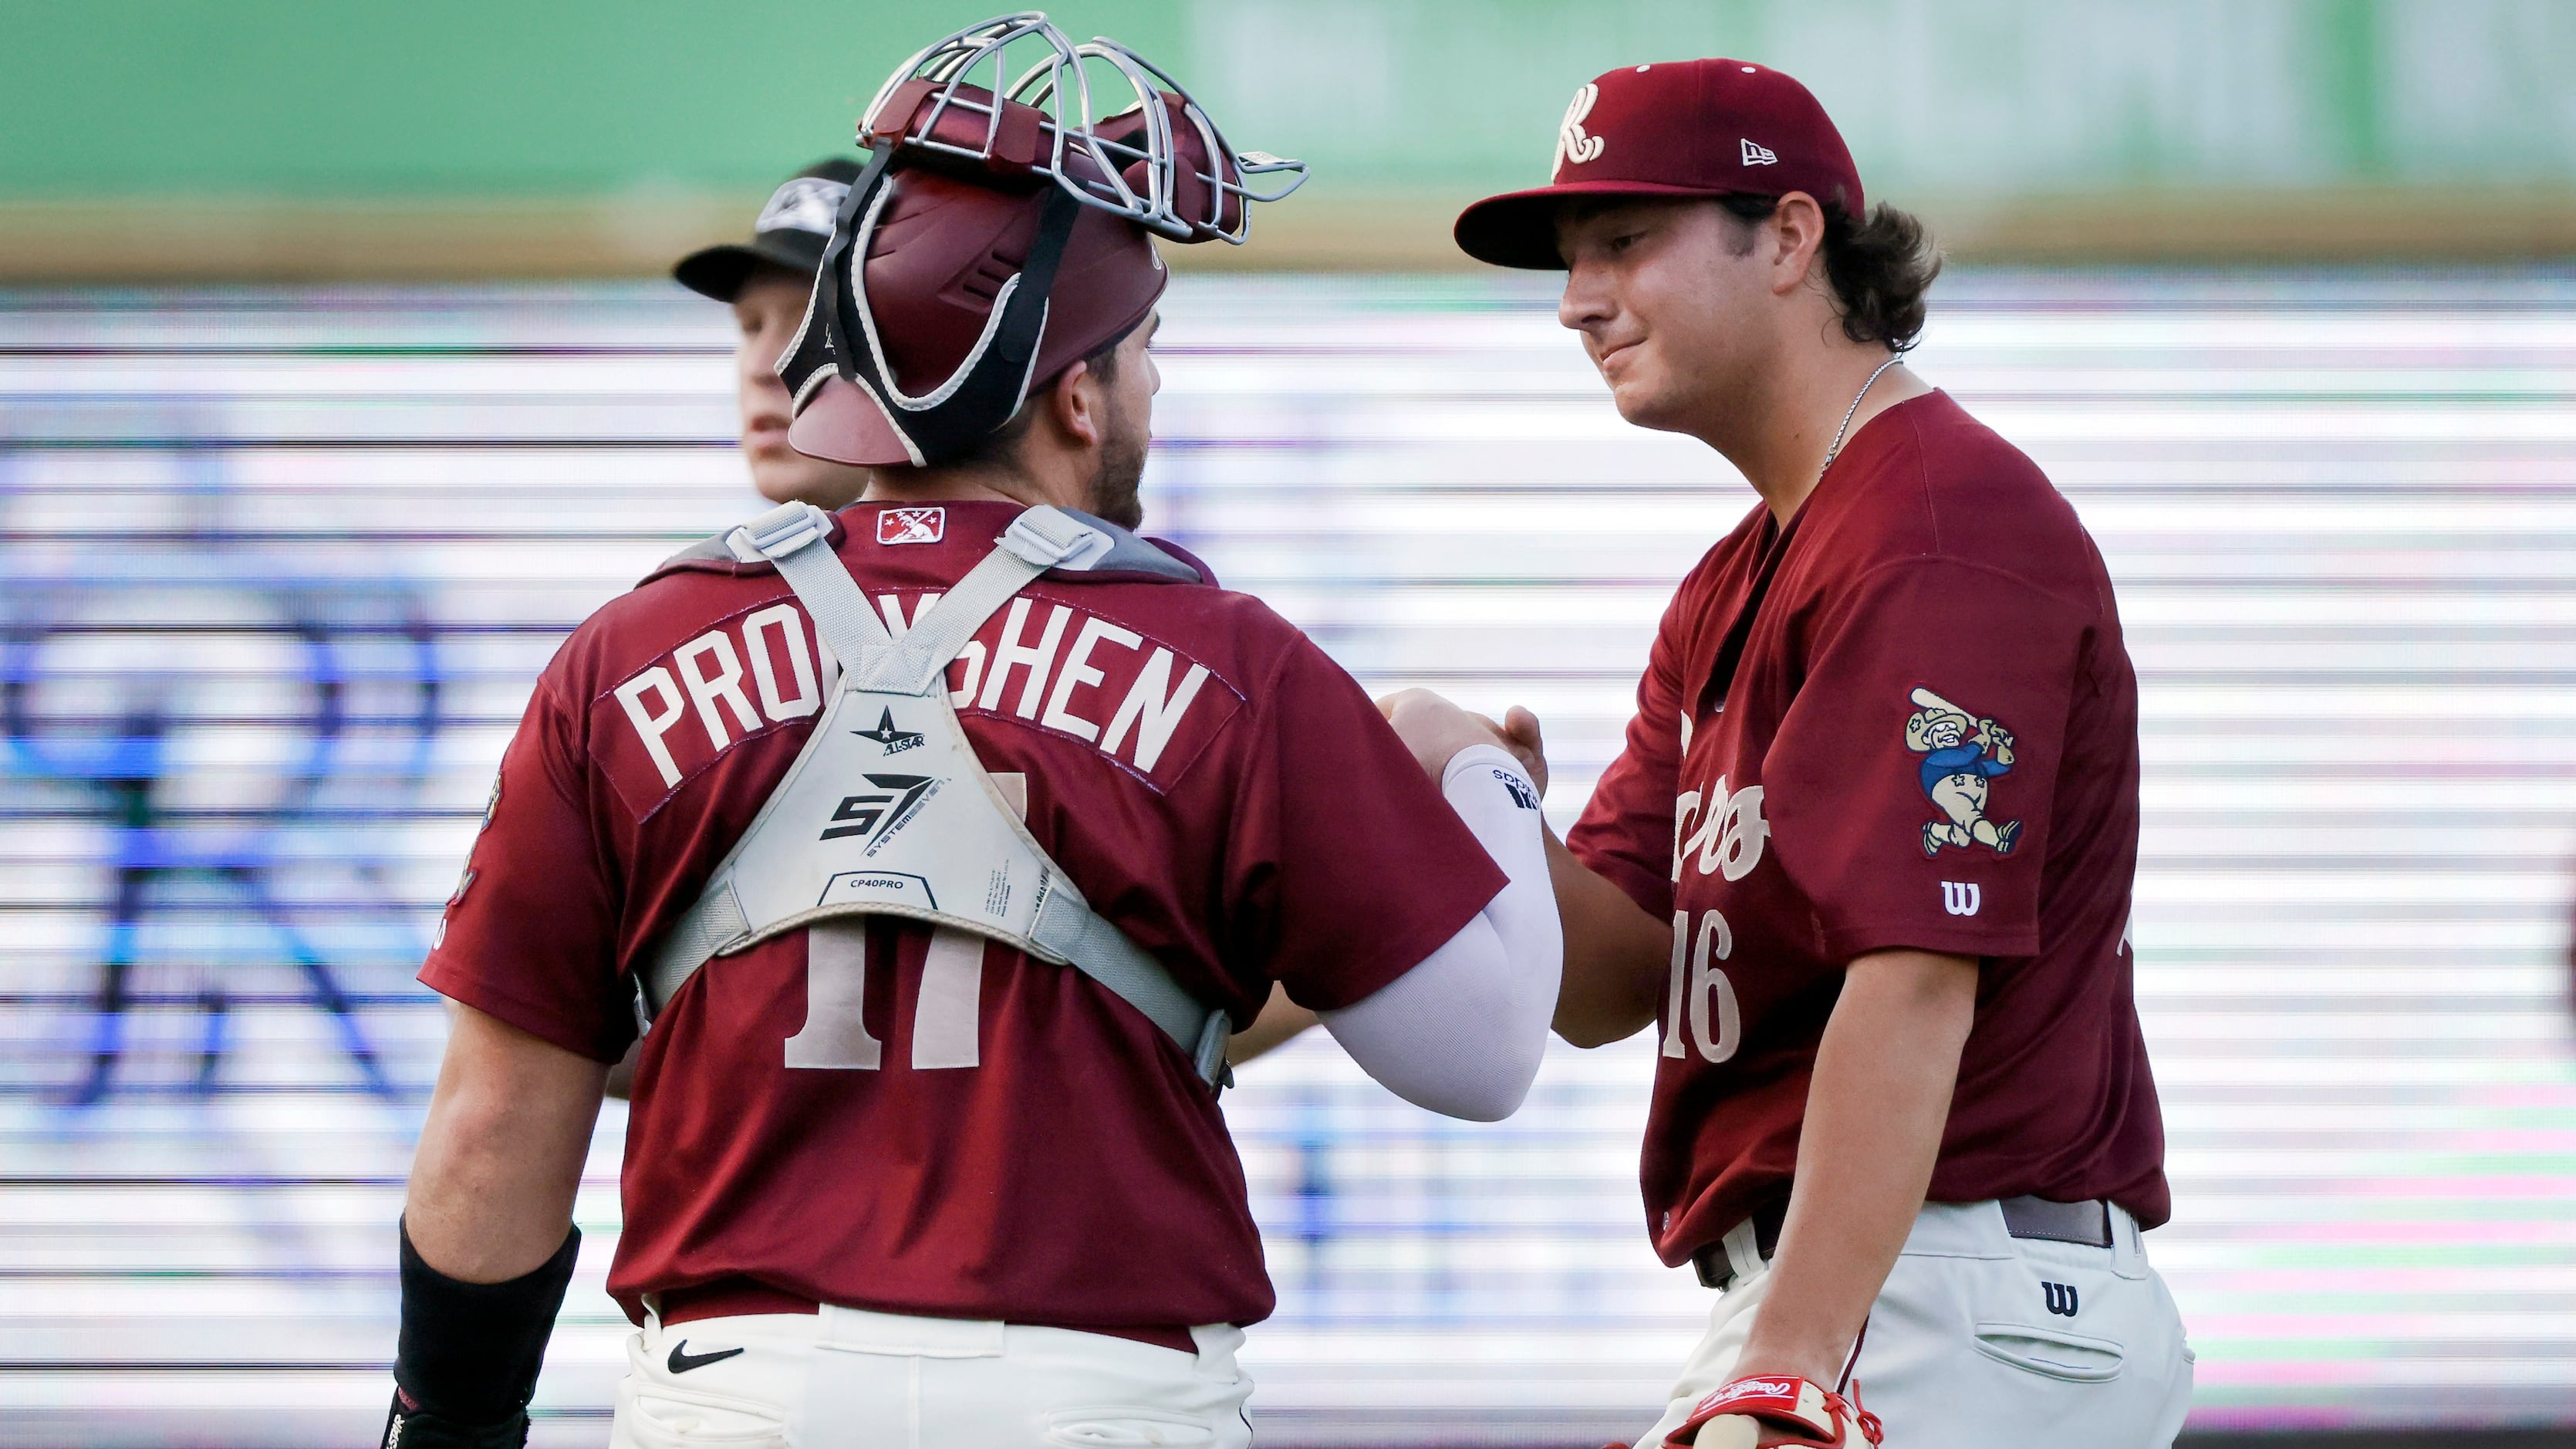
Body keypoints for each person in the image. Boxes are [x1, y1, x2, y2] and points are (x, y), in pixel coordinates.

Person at [376, 15, 1560, 1449]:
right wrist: (1466, 766)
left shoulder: (628, 651)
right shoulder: (1229, 658)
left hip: (735, 1395)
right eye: (1146, 352)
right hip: (1100, 1397)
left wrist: (444, 1422)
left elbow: (498, 1121)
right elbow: (1482, 1054)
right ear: (1076, 390)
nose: (1154, 389)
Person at [1393, 57, 2192, 1448]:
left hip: (1944, 1294)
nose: (1579, 298)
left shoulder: (1936, 526)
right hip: (1872, 1294)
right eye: (1569, 259)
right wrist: (1493, 819)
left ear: (1787, 235)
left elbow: (1914, 981)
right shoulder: (1732, 579)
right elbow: (1609, 982)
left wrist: (1787, 1372)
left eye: (1623, 242)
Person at [674, 158, 874, 510]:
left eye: (813, 326)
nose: (761, 368)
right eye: (751, 326)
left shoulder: (1000, 562)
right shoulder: (719, 565)